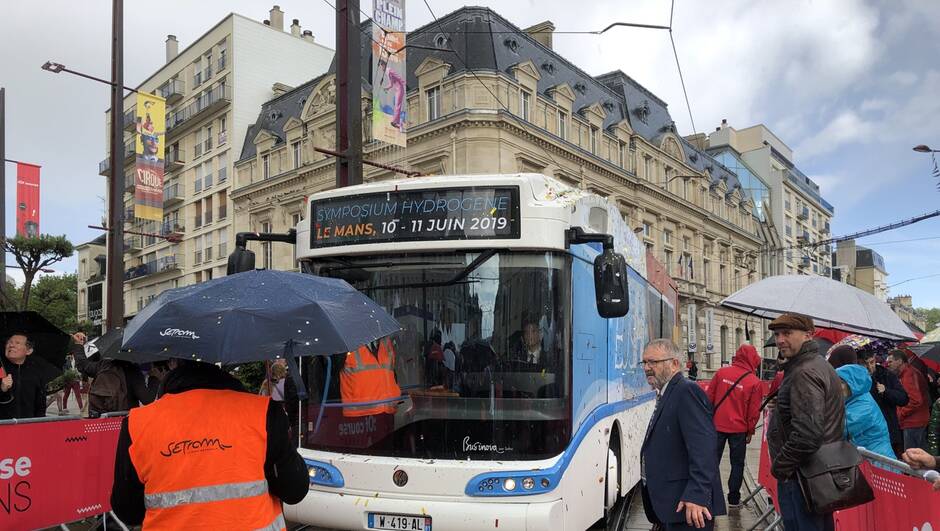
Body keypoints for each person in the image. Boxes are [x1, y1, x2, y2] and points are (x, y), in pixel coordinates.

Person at [111, 360, 308, 528]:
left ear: (173, 364)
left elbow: (128, 511)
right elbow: (294, 490)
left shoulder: (137, 424)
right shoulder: (264, 413)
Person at [766, 313, 844, 531]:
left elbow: (807, 434)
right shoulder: (810, 365)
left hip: (801, 478)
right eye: (777, 334)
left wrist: (779, 467)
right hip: (809, 475)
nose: (780, 340)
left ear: (809, 335)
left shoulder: (805, 371)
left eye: (787, 333)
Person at [640, 339, 725, 530]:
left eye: (653, 362)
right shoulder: (667, 391)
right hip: (672, 505)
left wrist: (697, 494)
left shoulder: (686, 391)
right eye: (644, 362)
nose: (646, 368)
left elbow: (704, 448)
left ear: (674, 364)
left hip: (689, 507)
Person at [705, 343, 763, 508]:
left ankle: (708, 495)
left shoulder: (722, 373)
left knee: (710, 462)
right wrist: (750, 430)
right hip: (739, 430)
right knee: (737, 464)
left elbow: (709, 398)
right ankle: (733, 498)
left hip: (716, 426)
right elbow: (753, 412)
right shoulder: (754, 382)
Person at [71, 332, 155, 416]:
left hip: (99, 420)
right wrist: (154, 378)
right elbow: (147, 399)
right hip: (122, 420)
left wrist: (78, 344)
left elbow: (84, 365)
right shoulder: (133, 370)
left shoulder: (105, 364)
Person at [835, 364, 894, 459]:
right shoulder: (853, 399)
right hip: (866, 457)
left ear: (854, 384)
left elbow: (839, 429)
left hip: (878, 460)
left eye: (841, 382)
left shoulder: (865, 406)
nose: (837, 386)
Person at [857, 350, 908, 457]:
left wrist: (886, 391)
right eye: (864, 364)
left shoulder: (887, 375)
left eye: (871, 362)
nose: (869, 367)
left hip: (889, 431)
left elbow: (904, 399)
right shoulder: (856, 379)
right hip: (866, 433)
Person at [340, 337, 401, 417]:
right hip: (358, 414)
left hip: (387, 411)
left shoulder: (386, 340)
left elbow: (391, 371)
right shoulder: (346, 341)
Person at [0, 333, 56, 420]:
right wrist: (2, 389)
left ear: (28, 351)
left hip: (28, 426)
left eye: (17, 343)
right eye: (9, 342)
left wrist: (39, 424)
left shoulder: (36, 373)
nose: (11, 345)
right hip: (4, 426)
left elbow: (40, 406)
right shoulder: (1, 367)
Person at [887, 349, 930, 450]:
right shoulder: (907, 373)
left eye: (890, 362)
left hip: (914, 422)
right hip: (915, 420)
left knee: (913, 457)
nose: (888, 365)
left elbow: (916, 400)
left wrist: (901, 414)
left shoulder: (908, 375)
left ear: (900, 361)